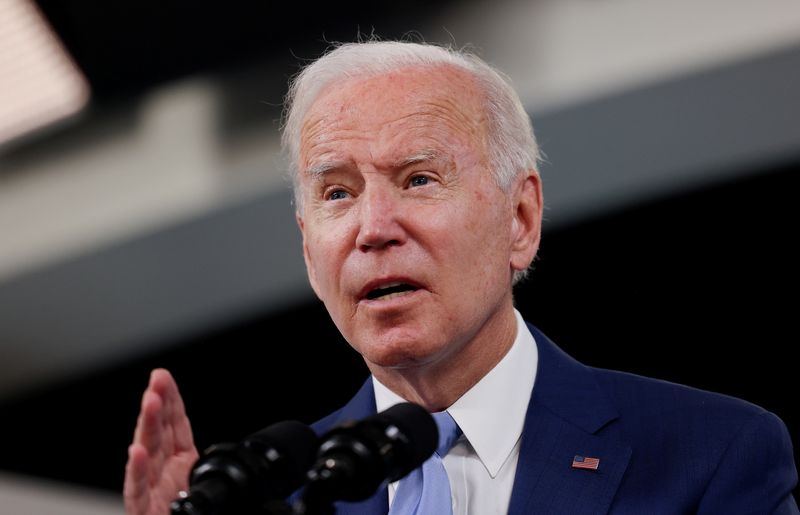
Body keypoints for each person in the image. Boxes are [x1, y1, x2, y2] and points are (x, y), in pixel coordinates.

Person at [123, 40, 799, 515]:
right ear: (308, 249)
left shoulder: (709, 455)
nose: (373, 226)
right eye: (337, 193)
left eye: (418, 179)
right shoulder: (271, 494)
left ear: (521, 218)